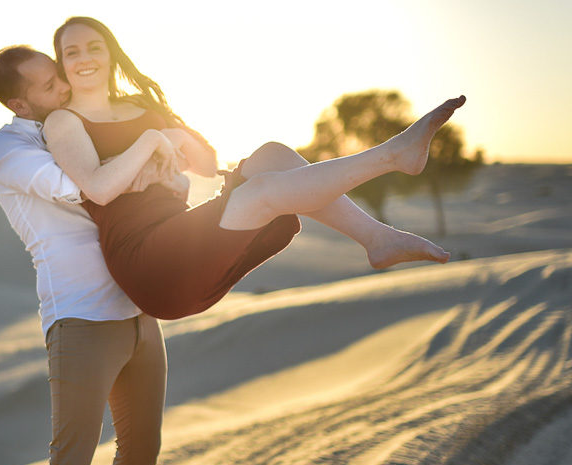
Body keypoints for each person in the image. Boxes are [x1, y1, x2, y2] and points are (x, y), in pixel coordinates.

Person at [44, 16, 454, 321]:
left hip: (181, 239)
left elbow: (205, 165)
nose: (84, 58)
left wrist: (175, 141)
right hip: (146, 262)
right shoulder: (65, 122)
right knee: (257, 195)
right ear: (62, 64)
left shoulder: (142, 106)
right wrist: (153, 142)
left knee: (272, 155)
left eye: (94, 47)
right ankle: (391, 155)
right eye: (71, 52)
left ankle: (377, 239)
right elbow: (99, 189)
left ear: (110, 52)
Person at [0, 43, 169, 465]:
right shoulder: (8, 149)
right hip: (80, 319)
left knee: (141, 449)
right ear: (19, 102)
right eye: (47, 87)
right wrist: (143, 153)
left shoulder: (81, 123)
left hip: (138, 309)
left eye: (59, 77)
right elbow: (86, 187)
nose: (63, 88)